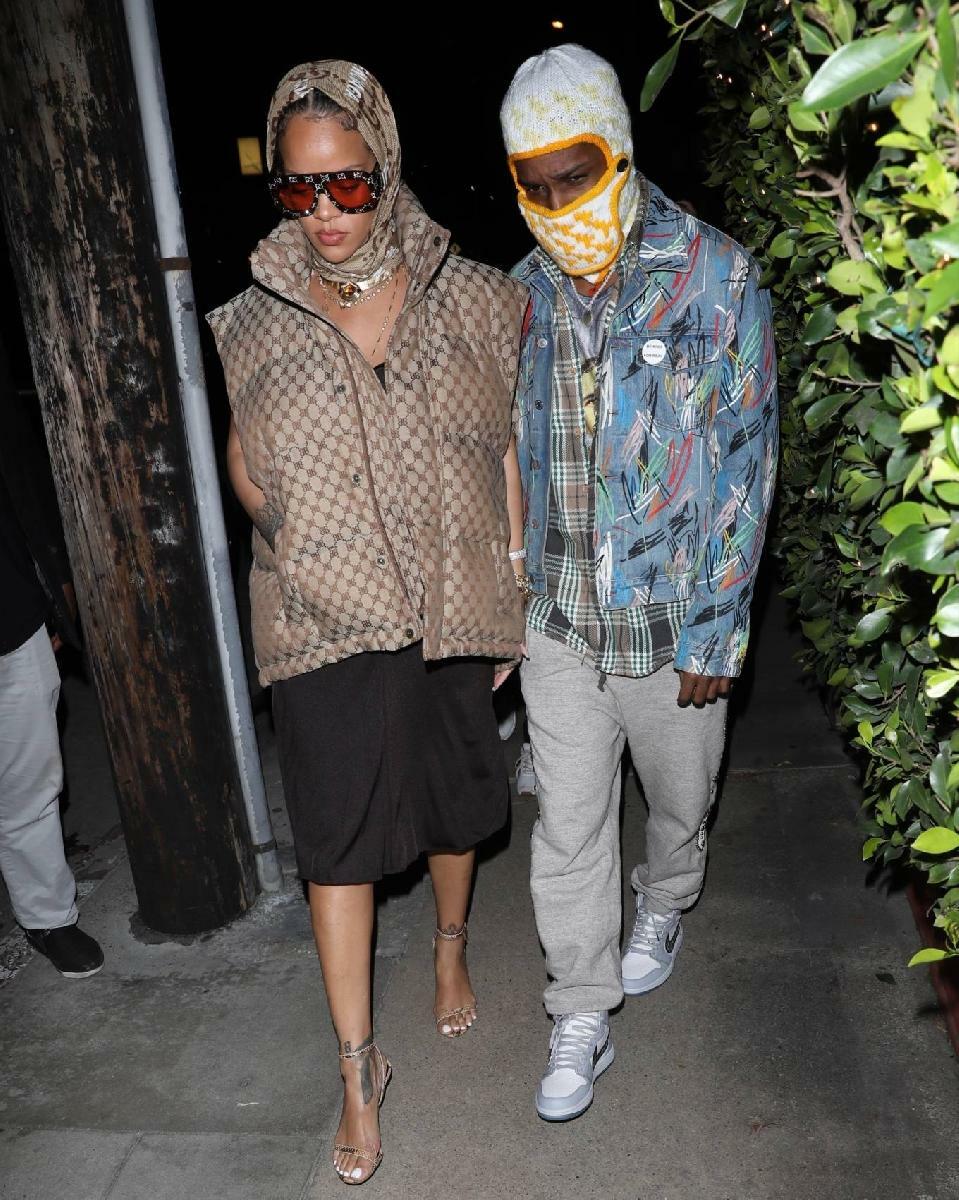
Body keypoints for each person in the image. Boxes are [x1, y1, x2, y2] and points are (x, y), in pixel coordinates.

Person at [207, 61, 528, 1185]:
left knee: (453, 803)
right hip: (322, 611)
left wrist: (507, 589)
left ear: (383, 169)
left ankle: (447, 947)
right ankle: (355, 1068)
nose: (325, 212)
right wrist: (292, 531)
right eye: (298, 190)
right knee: (334, 843)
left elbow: (500, 453)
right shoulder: (250, 319)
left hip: (447, 596)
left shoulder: (472, 295)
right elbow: (243, 459)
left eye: (346, 183)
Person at [501, 45, 779, 1121]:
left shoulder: (714, 275)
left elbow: (745, 463)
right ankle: (578, 1009)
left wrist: (719, 628)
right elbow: (504, 455)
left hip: (672, 619)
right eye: (533, 184)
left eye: (574, 175)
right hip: (561, 618)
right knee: (566, 825)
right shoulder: (520, 294)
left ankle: (664, 897)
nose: (556, 205)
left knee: (678, 800)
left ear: (617, 149)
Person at [0, 350, 103, 980]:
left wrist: (52, 594)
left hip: (11, 610)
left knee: (32, 782)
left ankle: (47, 917)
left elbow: (22, 475)